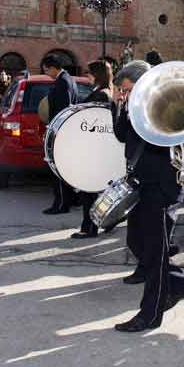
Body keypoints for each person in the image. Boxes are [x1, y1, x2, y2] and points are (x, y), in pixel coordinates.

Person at [112, 60, 184, 332]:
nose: (124, 93)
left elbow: (168, 143)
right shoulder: (131, 106)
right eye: (122, 90)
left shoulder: (163, 105)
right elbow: (123, 136)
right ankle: (179, 283)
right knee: (137, 242)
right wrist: (120, 106)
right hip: (142, 183)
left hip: (162, 187)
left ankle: (151, 313)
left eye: (127, 89)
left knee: (156, 253)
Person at [71, 60, 114, 239]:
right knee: (96, 191)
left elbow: (93, 121)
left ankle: (89, 228)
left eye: (89, 73)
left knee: (89, 191)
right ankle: (103, 223)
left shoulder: (102, 95)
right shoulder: (104, 92)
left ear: (96, 75)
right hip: (98, 148)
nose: (87, 76)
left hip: (95, 149)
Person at [41, 55, 78, 214]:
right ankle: (66, 201)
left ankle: (61, 204)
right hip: (63, 131)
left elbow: (63, 110)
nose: (47, 74)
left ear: (54, 67)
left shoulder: (63, 82)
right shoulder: (67, 79)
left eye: (47, 70)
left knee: (57, 170)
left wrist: (54, 131)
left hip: (60, 132)